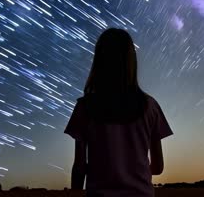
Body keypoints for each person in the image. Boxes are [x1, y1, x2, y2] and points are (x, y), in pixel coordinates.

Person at [64, 28, 173, 197]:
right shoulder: (150, 106)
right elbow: (158, 167)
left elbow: (79, 166)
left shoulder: (84, 107)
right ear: (131, 61)